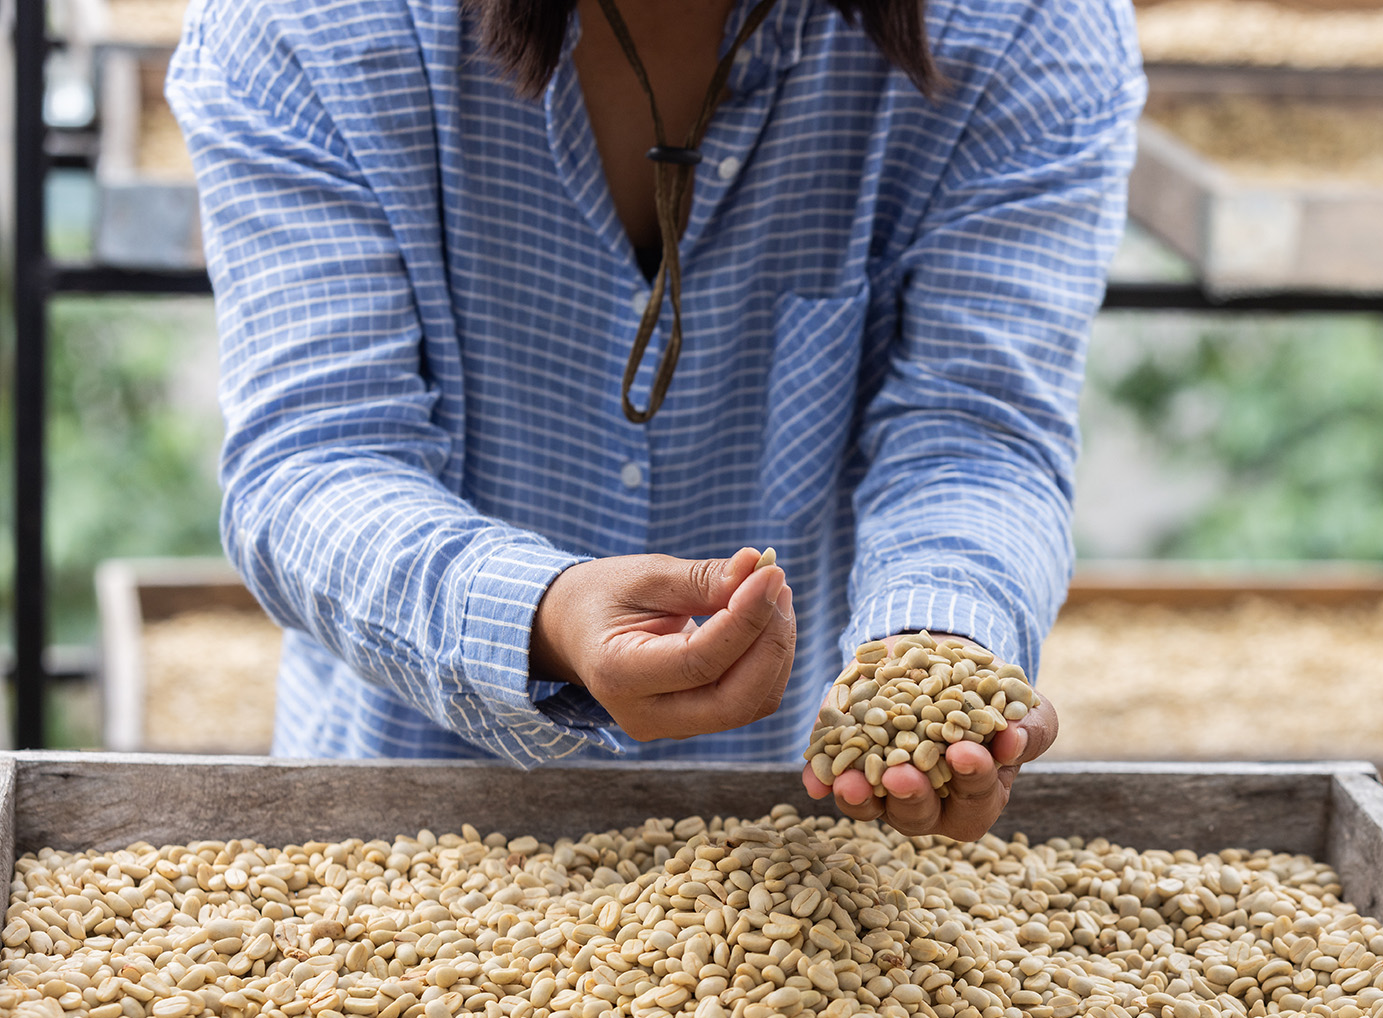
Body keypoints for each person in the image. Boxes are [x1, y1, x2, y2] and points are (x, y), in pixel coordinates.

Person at [167, 0, 1143, 839]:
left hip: (819, 846)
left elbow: (975, 430)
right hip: (407, 820)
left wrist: (937, 647)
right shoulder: (305, 28)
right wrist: (542, 618)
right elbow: (317, 457)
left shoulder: (1025, 29)